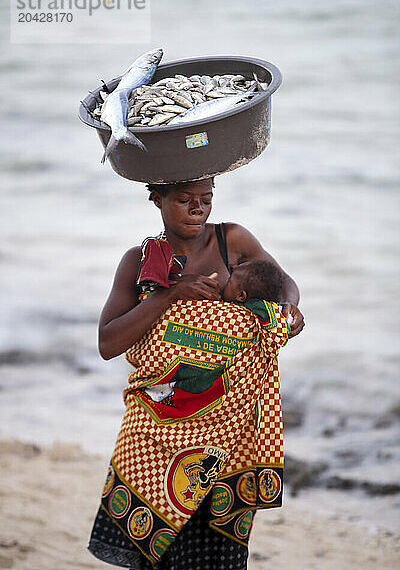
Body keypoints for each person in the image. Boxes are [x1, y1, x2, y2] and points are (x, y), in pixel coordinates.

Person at [88, 178, 305, 570]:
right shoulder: (138, 262)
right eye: (184, 200)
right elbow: (108, 343)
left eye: (206, 200)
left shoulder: (232, 240)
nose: (197, 209)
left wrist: (289, 307)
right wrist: (168, 295)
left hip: (227, 431)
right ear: (156, 197)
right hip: (154, 429)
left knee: (212, 552)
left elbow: (281, 280)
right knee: (155, 554)